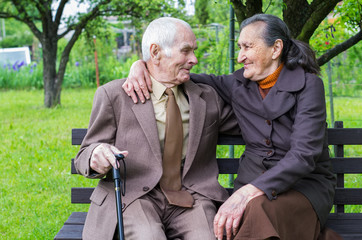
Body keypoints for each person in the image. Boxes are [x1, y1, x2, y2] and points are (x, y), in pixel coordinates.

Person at [123, 14, 341, 240]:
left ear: (276, 49)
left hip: (303, 188)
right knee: (240, 220)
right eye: (239, 47)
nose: (240, 57)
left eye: (247, 47)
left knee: (257, 212)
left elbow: (304, 155)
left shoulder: (308, 86)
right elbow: (179, 74)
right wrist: (141, 65)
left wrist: (249, 191)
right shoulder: (238, 85)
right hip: (250, 190)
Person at [74, 17, 237, 240]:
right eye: (186, 51)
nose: (195, 59)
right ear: (156, 52)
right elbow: (85, 153)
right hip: (133, 196)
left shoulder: (206, 98)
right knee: (147, 236)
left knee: (206, 237)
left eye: (194, 51)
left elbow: (251, 120)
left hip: (191, 195)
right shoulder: (115, 95)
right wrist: (96, 155)